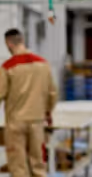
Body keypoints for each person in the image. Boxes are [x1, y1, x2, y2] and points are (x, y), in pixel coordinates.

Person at [0, 29, 58, 177]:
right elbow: (53, 94)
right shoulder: (43, 64)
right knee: (38, 164)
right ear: (22, 41)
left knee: (18, 166)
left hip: (15, 123)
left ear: (8, 43)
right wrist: (46, 112)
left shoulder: (8, 67)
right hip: (37, 121)